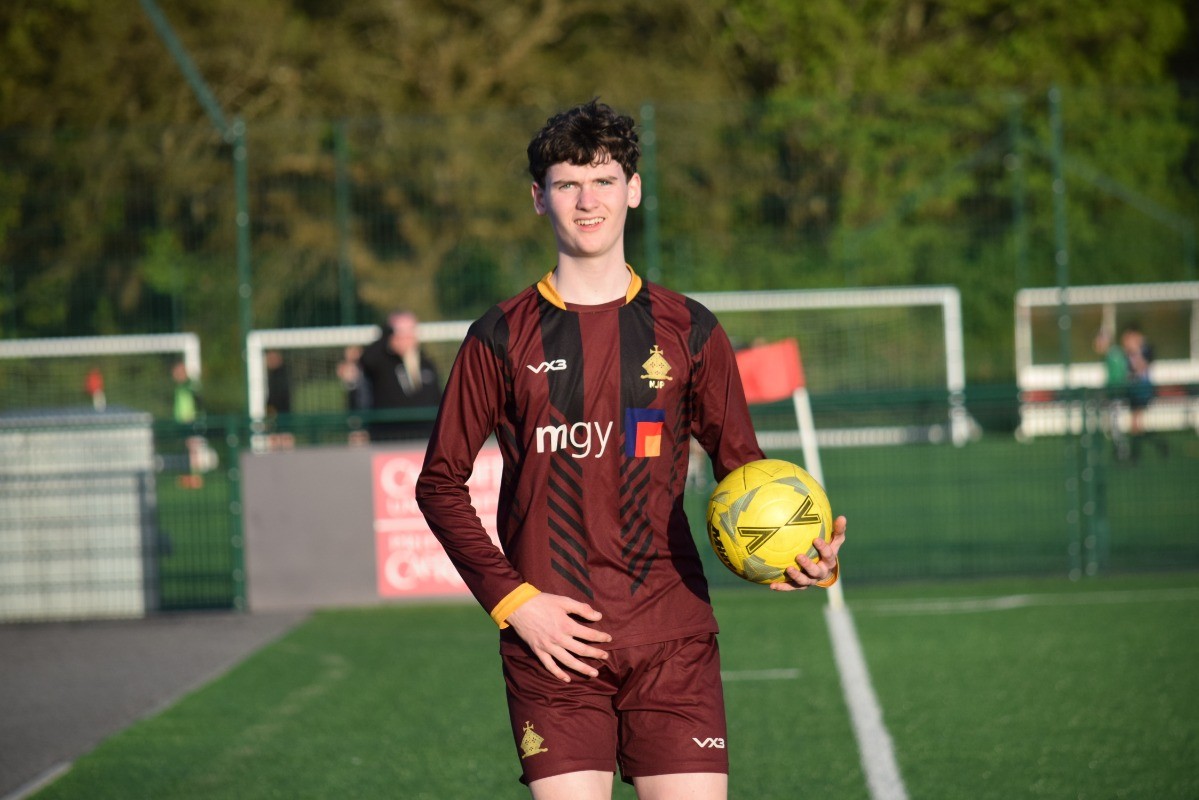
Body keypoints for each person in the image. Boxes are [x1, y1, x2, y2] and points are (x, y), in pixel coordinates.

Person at [415, 99, 846, 799]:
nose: (588, 201)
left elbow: (746, 473)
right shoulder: (498, 336)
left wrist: (798, 552)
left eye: (604, 181)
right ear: (538, 198)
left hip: (673, 637)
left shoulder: (690, 329)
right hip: (552, 646)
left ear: (633, 189)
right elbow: (438, 484)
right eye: (567, 184)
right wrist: (516, 603)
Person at [355, 310, 442, 441]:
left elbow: (438, 398)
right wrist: (387, 338)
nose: (407, 337)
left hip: (426, 436)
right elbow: (366, 360)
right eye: (401, 332)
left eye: (410, 331)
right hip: (390, 436)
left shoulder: (426, 364)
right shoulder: (381, 361)